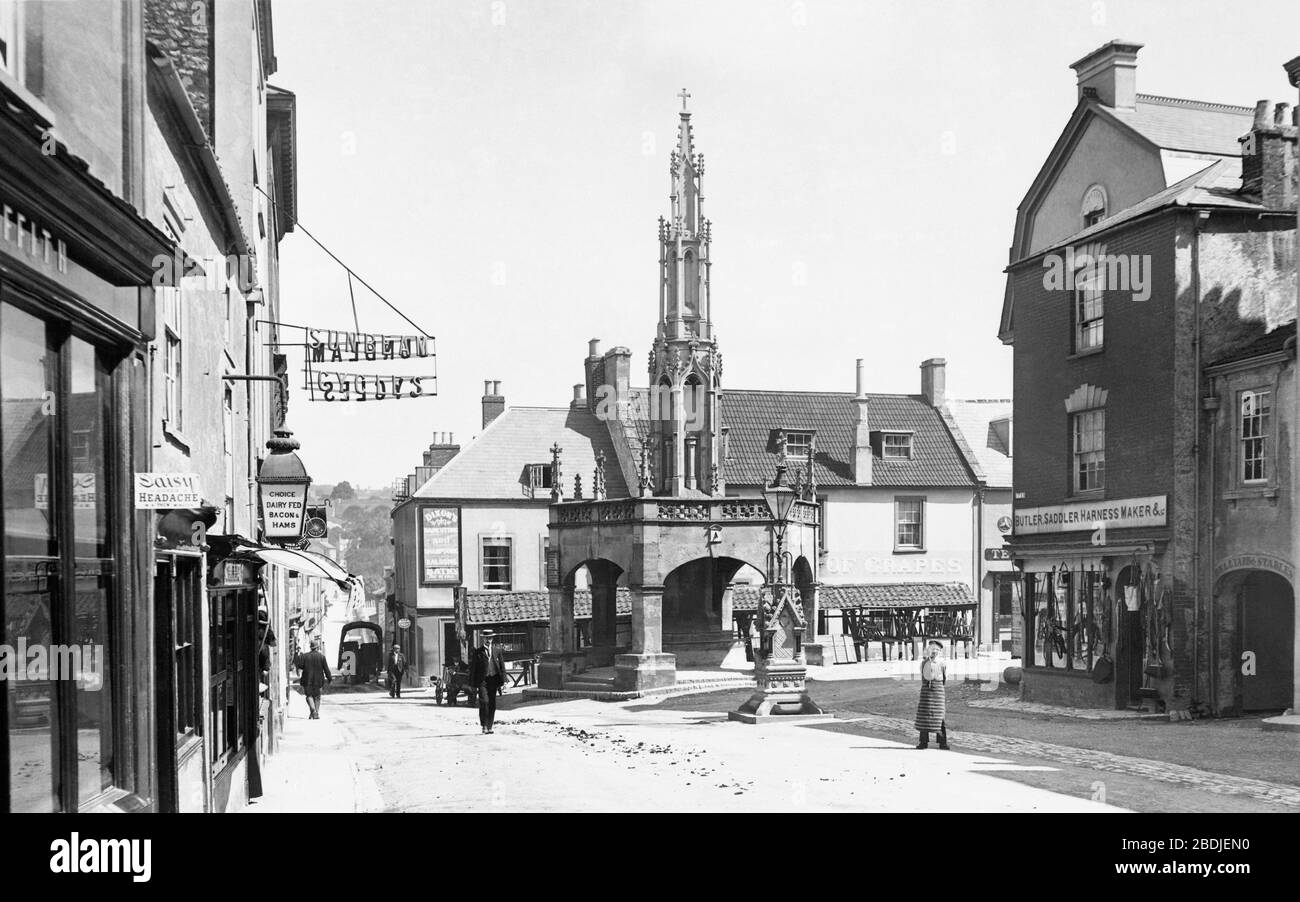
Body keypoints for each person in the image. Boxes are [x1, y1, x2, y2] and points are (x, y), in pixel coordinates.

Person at [468, 630, 506, 734]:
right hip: (482, 681)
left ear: (492, 639)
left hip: (493, 679)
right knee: (484, 702)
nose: (488, 640)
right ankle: (483, 725)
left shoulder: (497, 650)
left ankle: (490, 726)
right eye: (486, 638)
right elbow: (473, 669)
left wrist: (504, 681)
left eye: (490, 638)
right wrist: (472, 684)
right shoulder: (478, 652)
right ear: (483, 639)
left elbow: (502, 667)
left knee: (492, 703)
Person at [914, 640, 949, 749]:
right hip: (926, 692)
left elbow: (944, 678)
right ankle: (923, 742)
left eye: (937, 650)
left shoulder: (942, 663)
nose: (934, 651)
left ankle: (942, 742)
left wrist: (937, 687)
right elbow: (922, 677)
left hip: (938, 691)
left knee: (940, 717)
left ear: (939, 651)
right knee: (924, 716)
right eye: (932, 649)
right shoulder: (924, 663)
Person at [296, 638, 332, 720]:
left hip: (307, 680)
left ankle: (313, 711)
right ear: (318, 647)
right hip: (318, 681)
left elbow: (300, 665)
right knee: (317, 697)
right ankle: (315, 712)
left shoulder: (304, 656)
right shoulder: (322, 657)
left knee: (309, 696)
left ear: (311, 647)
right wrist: (329, 678)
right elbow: (326, 669)